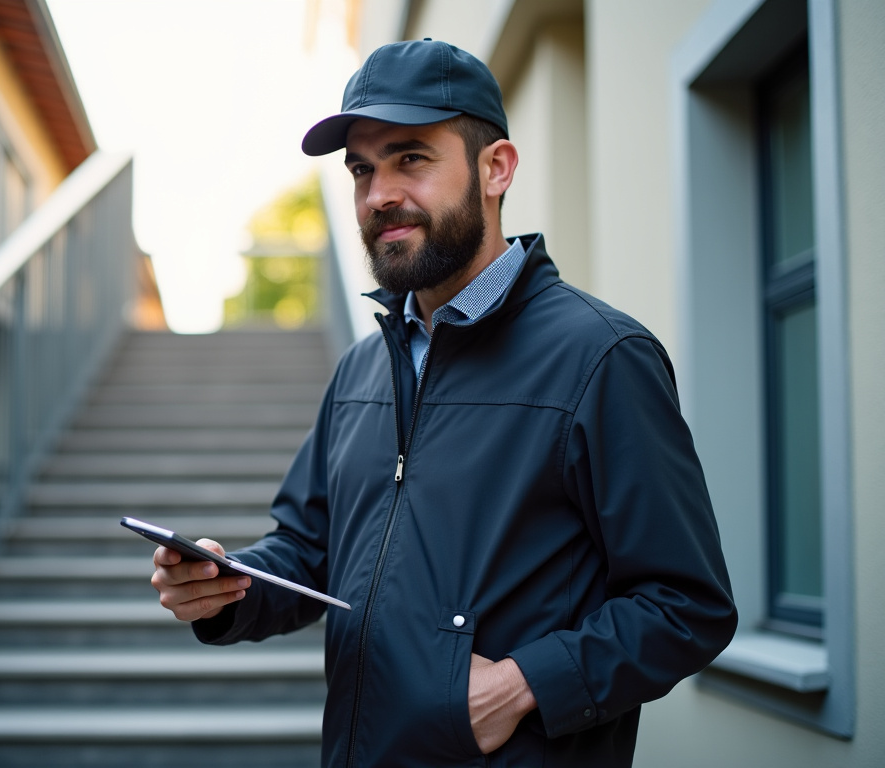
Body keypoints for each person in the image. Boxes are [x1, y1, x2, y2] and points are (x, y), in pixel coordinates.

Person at [149, 39, 737, 768]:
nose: (378, 194)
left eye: (411, 159)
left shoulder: (602, 358)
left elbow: (688, 605)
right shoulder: (363, 368)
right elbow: (308, 550)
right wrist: (228, 586)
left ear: (497, 168)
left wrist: (525, 684)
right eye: (362, 169)